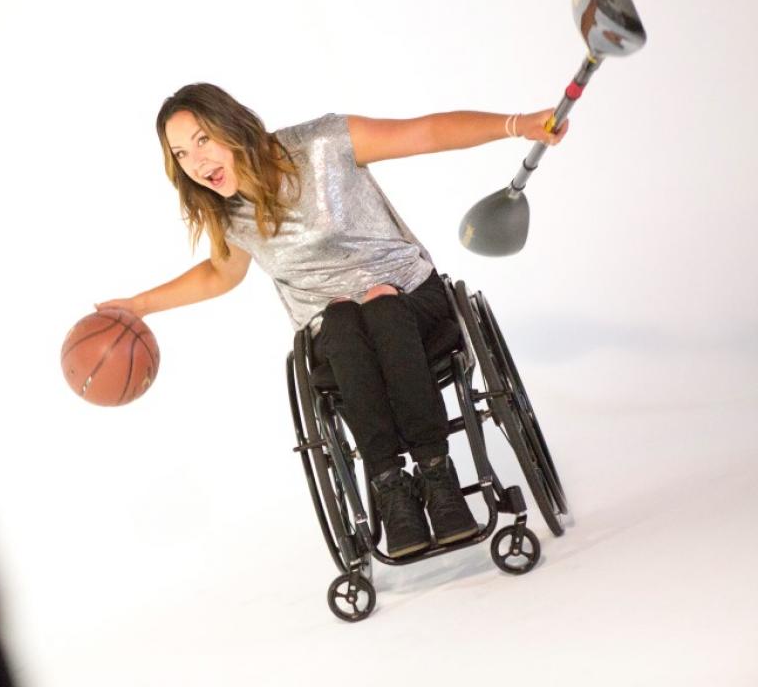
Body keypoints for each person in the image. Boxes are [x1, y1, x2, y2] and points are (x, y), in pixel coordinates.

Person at [96, 83, 568, 559]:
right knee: (341, 319)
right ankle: (390, 489)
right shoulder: (227, 212)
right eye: (180, 153)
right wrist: (138, 306)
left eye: (202, 140)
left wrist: (517, 124)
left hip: (412, 303)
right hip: (336, 336)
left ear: (233, 126)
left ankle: (436, 474)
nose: (196, 162)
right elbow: (220, 273)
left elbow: (425, 133)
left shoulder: (322, 144)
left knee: (380, 305)